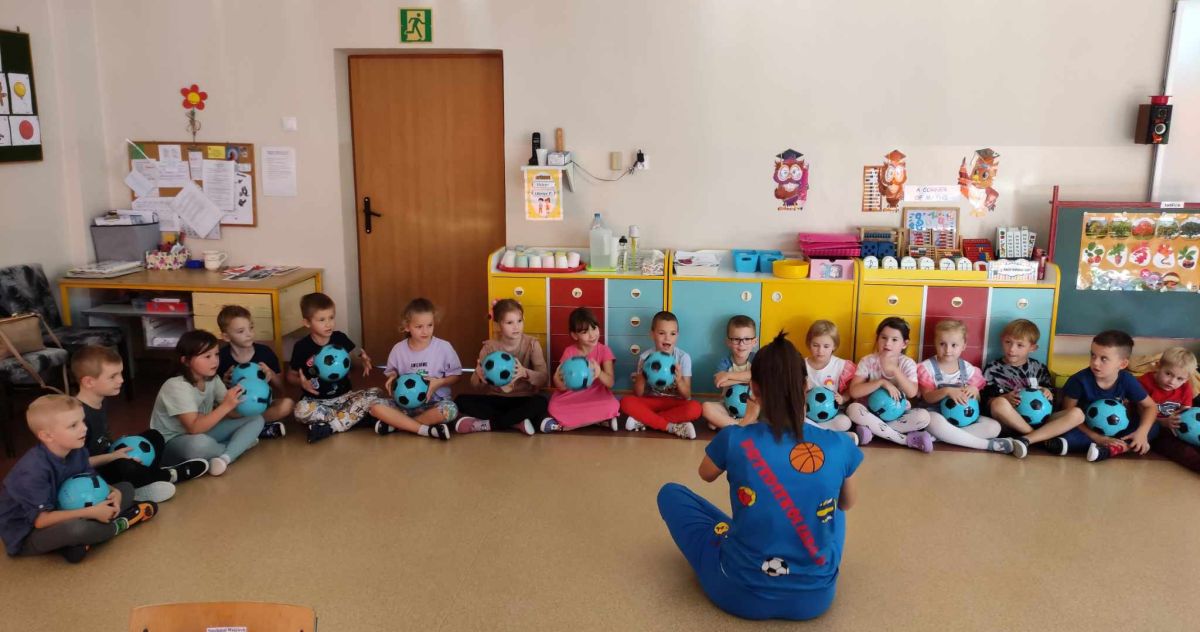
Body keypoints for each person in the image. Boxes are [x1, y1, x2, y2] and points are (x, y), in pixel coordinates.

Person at [657, 333, 862, 621]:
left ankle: (744, 541)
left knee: (670, 493)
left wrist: (745, 421)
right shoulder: (839, 444)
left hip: (737, 592)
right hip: (815, 598)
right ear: (806, 387)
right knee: (834, 506)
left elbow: (705, 474)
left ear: (753, 389)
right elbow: (847, 504)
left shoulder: (735, 438)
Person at [0, 395, 157, 563]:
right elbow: (41, 521)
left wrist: (115, 493)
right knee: (77, 529)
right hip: (28, 533)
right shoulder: (32, 472)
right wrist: (91, 512)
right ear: (47, 436)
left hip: (65, 507)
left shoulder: (77, 450)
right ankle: (121, 523)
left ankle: (78, 543)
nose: (84, 429)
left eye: (83, 421)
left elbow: (93, 480)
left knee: (126, 488)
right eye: (73, 425)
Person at [287, 293, 429, 442]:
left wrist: (362, 361)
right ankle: (351, 419)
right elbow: (290, 376)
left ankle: (331, 425)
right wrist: (301, 383)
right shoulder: (302, 347)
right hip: (317, 402)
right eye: (321, 320)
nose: (328, 324)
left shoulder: (339, 338)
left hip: (345, 398)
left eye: (331, 317)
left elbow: (352, 362)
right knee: (300, 410)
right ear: (307, 322)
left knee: (375, 393)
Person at [73, 346, 208, 503]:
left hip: (111, 457)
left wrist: (120, 445)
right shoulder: (76, 415)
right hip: (94, 472)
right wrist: (114, 456)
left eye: (120, 373)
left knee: (154, 435)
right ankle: (170, 475)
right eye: (113, 377)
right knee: (126, 466)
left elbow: (102, 438)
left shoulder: (99, 402)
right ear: (89, 382)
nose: (121, 380)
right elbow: (76, 464)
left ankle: (143, 481)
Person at [1018, 330, 1158, 459]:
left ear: (1122, 364)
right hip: (1083, 429)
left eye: (1104, 359)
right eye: (1093, 355)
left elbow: (1151, 407)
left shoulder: (1127, 380)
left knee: (1153, 427)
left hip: (1116, 429)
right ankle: (1110, 447)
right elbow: (1068, 415)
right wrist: (1098, 438)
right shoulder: (1080, 380)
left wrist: (1142, 433)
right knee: (1069, 433)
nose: (1095, 363)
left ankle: (1113, 448)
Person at [150, 330, 266, 475]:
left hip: (204, 431)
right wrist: (226, 406)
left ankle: (224, 458)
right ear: (186, 361)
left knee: (256, 418)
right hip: (173, 442)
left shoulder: (213, 379)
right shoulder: (176, 386)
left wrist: (246, 400)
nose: (215, 361)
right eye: (207, 356)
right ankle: (238, 446)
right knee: (199, 444)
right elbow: (194, 428)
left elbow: (232, 413)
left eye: (216, 354)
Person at [917, 321, 1026, 457]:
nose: (948, 350)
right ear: (935, 343)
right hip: (937, 415)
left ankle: (940, 437)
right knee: (932, 420)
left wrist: (975, 391)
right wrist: (947, 391)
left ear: (964, 346)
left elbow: (978, 399)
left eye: (954, 345)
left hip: (965, 419)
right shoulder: (927, 368)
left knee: (994, 427)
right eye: (942, 344)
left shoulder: (969, 370)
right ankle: (988, 445)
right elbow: (927, 397)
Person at [454, 299, 549, 436]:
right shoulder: (489, 347)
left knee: (542, 402)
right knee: (460, 400)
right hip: (496, 399)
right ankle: (515, 422)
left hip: (523, 399)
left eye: (519, 321)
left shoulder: (532, 344)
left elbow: (543, 379)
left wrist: (525, 373)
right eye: (509, 323)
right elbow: (475, 386)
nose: (516, 327)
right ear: (498, 324)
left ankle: (487, 424)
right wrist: (479, 376)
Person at [845, 318, 934, 452]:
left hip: (897, 415)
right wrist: (882, 382)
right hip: (870, 413)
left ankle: (874, 431)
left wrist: (895, 370)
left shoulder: (907, 363)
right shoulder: (868, 361)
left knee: (924, 417)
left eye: (894, 339)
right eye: (883, 338)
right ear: (877, 339)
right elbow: (854, 392)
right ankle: (906, 440)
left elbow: (912, 393)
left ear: (904, 344)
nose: (887, 343)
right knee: (853, 409)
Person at [377, 298, 462, 438]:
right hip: (405, 405)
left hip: (434, 403)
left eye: (430, 325)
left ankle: (398, 425)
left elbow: (456, 376)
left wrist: (440, 382)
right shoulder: (398, 349)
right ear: (407, 326)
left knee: (450, 410)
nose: (425, 331)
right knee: (375, 406)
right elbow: (392, 372)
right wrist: (392, 376)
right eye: (419, 327)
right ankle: (423, 428)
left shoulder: (444, 347)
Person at [216, 304, 295, 439]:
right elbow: (215, 396)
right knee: (214, 412)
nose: (249, 334)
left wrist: (271, 374)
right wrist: (223, 383)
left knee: (287, 404)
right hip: (236, 410)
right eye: (241, 331)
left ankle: (245, 428)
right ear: (226, 336)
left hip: (263, 406)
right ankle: (259, 428)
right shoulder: (220, 358)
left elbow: (282, 389)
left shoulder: (265, 353)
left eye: (251, 328)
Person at [621, 311, 702, 439]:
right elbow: (638, 394)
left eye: (672, 334)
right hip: (652, 402)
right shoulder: (645, 357)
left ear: (677, 335)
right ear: (652, 334)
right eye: (661, 333)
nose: (667, 338)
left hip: (674, 403)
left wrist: (679, 380)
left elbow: (687, 395)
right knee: (626, 402)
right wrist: (642, 376)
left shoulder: (683, 358)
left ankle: (644, 421)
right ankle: (672, 427)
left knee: (695, 408)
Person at [543, 308, 620, 432]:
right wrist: (556, 379)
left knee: (613, 405)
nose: (592, 335)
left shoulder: (604, 350)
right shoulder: (569, 352)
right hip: (572, 395)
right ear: (575, 335)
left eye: (594, 328)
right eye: (585, 332)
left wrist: (599, 373)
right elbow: (562, 387)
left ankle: (567, 425)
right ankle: (601, 421)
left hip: (596, 395)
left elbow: (610, 383)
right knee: (553, 406)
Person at [981, 319, 1054, 435]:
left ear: (1032, 348)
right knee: (999, 403)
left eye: (1020, 345)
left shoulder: (1038, 368)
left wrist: (1047, 392)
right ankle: (1035, 437)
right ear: (1002, 340)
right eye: (1008, 342)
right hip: (1006, 423)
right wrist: (1005, 398)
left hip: (1038, 419)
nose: (1012, 349)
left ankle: (1031, 437)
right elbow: (986, 402)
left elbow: (1050, 396)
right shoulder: (993, 368)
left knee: (1076, 414)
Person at [1135, 347, 1196, 465]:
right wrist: (1164, 422)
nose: (1172, 381)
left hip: (1174, 428)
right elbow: (1141, 413)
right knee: (1182, 451)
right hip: (1149, 427)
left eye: (1180, 378)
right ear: (1158, 366)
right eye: (1168, 374)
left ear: (1186, 379)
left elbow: (1186, 414)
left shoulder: (1185, 388)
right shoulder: (1144, 382)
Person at [701, 315, 759, 430]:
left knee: (772, 410)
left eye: (747, 339)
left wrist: (728, 376)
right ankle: (742, 425)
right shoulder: (725, 362)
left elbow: (759, 376)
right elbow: (720, 382)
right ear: (728, 342)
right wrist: (748, 378)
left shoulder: (757, 359)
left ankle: (732, 425)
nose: (741, 344)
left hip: (754, 408)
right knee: (706, 407)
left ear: (755, 342)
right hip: (728, 407)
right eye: (736, 339)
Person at [802, 320, 856, 437]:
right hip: (807, 414)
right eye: (815, 345)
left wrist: (843, 398)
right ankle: (826, 434)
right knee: (793, 418)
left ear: (834, 346)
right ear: (809, 343)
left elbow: (851, 389)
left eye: (826, 346)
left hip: (832, 415)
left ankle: (814, 431)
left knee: (845, 423)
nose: (820, 350)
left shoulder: (841, 365)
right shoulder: (801, 365)